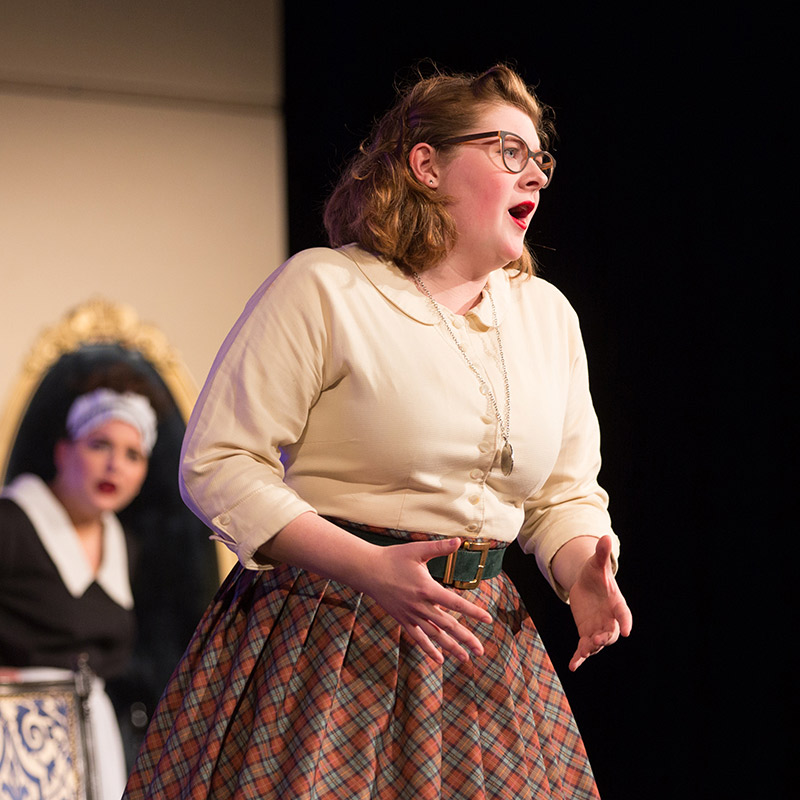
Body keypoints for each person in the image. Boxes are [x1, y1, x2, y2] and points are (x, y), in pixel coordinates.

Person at [123, 63, 632, 799]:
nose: (537, 178)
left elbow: (562, 493)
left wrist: (580, 569)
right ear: (427, 164)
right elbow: (219, 462)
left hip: (478, 648)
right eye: (509, 153)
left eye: (540, 158)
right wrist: (366, 566)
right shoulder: (328, 288)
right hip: (327, 636)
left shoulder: (548, 317)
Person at [0, 370, 161, 800]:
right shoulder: (12, 522)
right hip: (15, 734)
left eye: (133, 454)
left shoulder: (123, 543)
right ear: (63, 450)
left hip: (93, 733)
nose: (115, 465)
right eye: (99, 444)